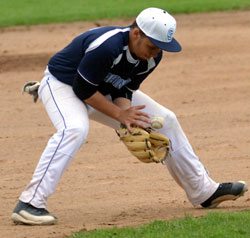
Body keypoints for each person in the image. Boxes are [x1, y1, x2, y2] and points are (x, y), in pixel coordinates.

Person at [11, 7, 248, 225]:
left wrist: (129, 121)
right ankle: (29, 203)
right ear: (136, 34)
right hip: (63, 85)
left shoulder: (152, 57)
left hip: (99, 89)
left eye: (160, 48)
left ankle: (204, 191)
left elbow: (123, 88)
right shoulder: (107, 47)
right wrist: (119, 115)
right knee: (75, 129)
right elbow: (82, 90)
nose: (156, 52)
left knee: (167, 120)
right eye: (152, 46)